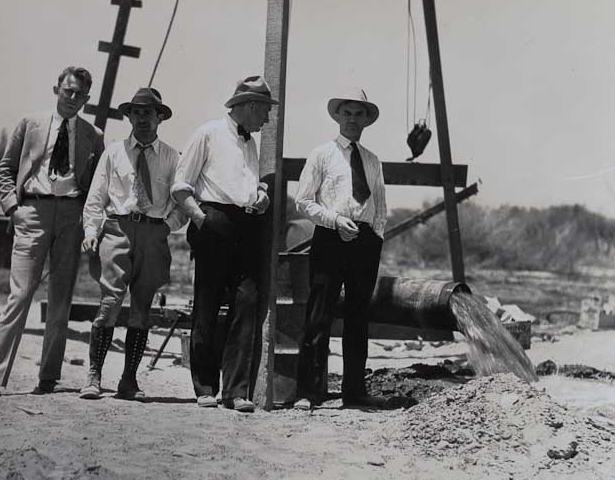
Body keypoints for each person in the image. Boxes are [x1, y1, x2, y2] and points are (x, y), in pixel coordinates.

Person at [0, 66, 104, 396]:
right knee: (19, 295)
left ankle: (48, 377)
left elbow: (97, 187)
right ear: (56, 89)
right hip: (32, 212)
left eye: (79, 94)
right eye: (68, 91)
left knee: (61, 299)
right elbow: (5, 170)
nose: (72, 98)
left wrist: (87, 221)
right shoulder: (30, 124)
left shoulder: (94, 136)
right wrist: (13, 208)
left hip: (70, 218)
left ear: (87, 99)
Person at [171, 75, 276, 413]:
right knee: (207, 303)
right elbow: (180, 187)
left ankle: (236, 391)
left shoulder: (251, 144)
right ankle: (205, 387)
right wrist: (203, 220)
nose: (268, 119)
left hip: (248, 226)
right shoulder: (207, 134)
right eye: (265, 111)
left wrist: (261, 196)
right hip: (213, 221)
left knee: (247, 303)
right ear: (249, 106)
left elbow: (249, 184)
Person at [79, 87, 185, 401]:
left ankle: (129, 381)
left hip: (153, 233)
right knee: (110, 302)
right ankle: (94, 376)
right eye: (136, 112)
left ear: (159, 118)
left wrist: (167, 227)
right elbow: (95, 200)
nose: (142, 119)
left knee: (141, 308)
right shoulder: (113, 153)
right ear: (129, 117)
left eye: (148, 113)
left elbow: (182, 203)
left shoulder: (172, 157)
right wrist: (90, 232)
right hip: (117, 229)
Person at [293, 89, 387, 410]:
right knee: (319, 316)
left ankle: (354, 392)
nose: (352, 120)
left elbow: (380, 206)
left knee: (358, 318)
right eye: (347, 113)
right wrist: (334, 221)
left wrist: (375, 236)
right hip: (331, 238)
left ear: (366, 120)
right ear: (337, 116)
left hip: (364, 242)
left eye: (359, 114)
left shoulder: (373, 161)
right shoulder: (322, 154)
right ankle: (308, 392)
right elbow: (303, 201)